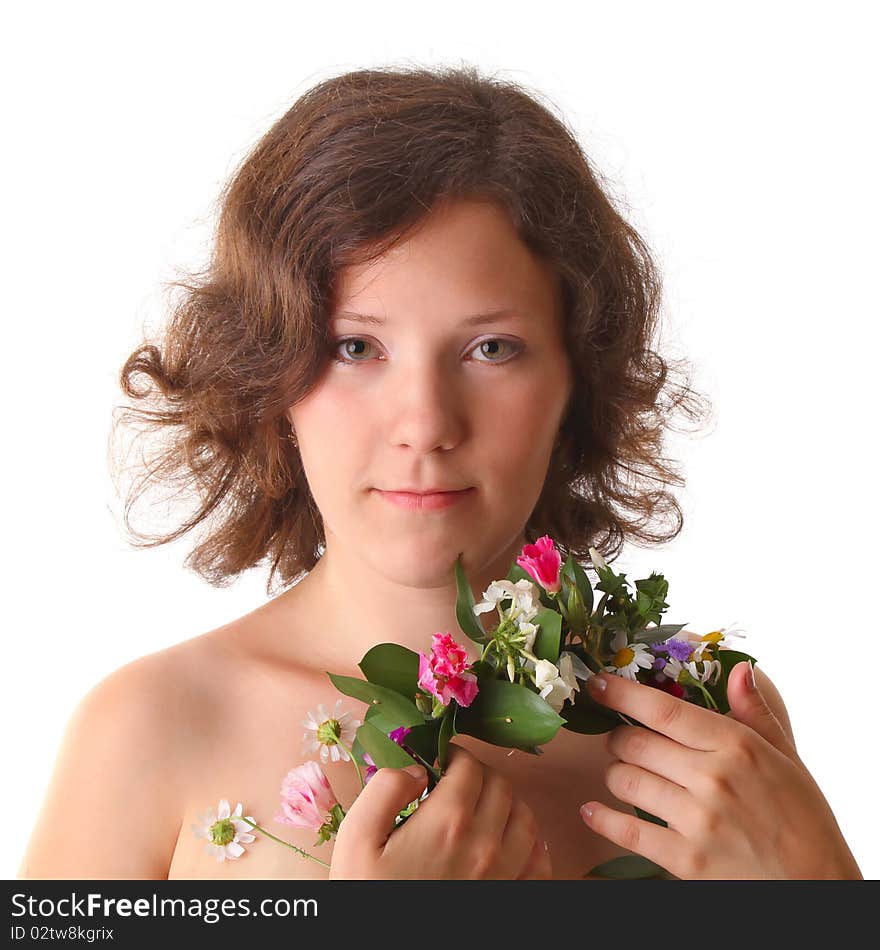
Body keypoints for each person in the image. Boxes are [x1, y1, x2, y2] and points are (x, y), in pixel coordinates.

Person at [18, 64, 861, 881]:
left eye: (491, 348)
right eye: (355, 348)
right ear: (269, 376)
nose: (425, 424)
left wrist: (823, 887)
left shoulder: (702, 725)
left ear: (579, 378)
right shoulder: (145, 732)